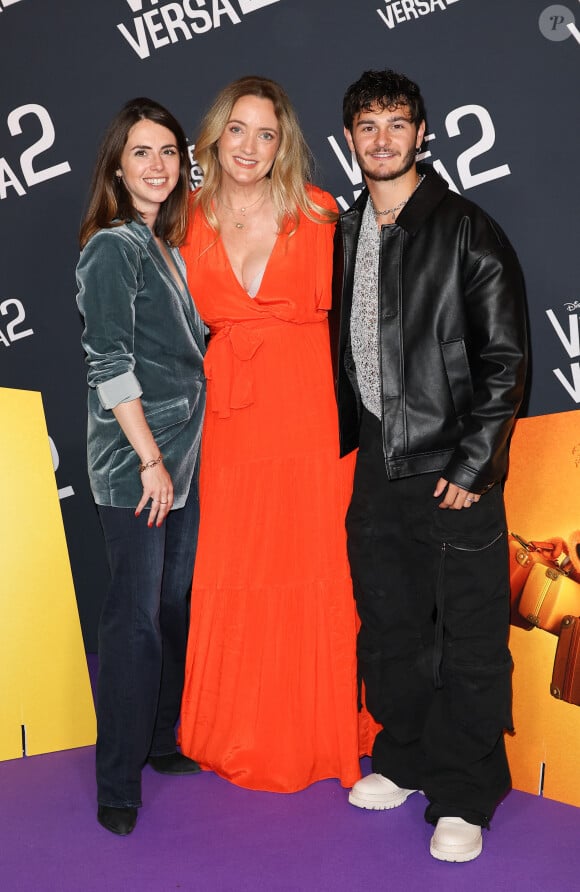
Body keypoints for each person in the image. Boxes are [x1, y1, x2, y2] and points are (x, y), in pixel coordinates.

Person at [331, 69, 528, 862]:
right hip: (379, 466)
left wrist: (474, 464)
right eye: (367, 126)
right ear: (350, 139)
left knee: (469, 641)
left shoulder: (467, 229)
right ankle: (407, 761)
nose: (382, 139)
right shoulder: (347, 228)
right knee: (392, 630)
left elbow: (508, 359)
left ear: (423, 134)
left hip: (454, 468)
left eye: (396, 124)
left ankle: (465, 792)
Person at [179, 75, 371, 792]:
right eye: (238, 129)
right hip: (231, 419)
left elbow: (364, 322)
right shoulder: (185, 220)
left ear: (283, 142)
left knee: (315, 567)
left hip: (310, 414)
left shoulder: (317, 213)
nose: (250, 146)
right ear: (215, 136)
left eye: (266, 133)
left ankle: (319, 733)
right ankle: (233, 726)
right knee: (237, 569)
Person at [76, 98, 206, 836]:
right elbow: (110, 364)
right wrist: (151, 461)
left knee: (169, 612)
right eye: (141, 153)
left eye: (166, 152)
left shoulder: (163, 246)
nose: (157, 166)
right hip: (137, 469)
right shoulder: (111, 247)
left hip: (179, 465)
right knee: (134, 623)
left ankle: (160, 743)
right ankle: (117, 782)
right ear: (117, 169)